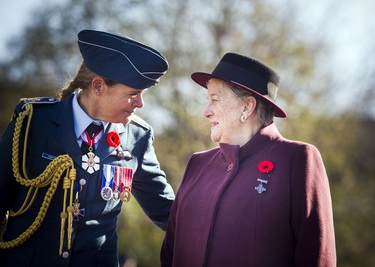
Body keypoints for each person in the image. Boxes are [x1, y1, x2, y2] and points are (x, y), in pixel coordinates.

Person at [0, 29, 175, 267]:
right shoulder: (33, 122)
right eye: (132, 94)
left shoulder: (137, 137)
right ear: (98, 86)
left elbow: (168, 212)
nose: (140, 104)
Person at [160, 53, 336, 267]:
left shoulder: (298, 159)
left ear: (247, 107)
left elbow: (317, 257)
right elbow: (169, 254)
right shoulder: (197, 164)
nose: (206, 112)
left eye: (214, 100)